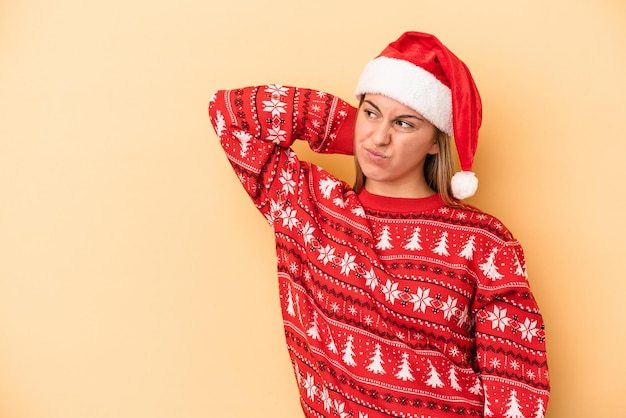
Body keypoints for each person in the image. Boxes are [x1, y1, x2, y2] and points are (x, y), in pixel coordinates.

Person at [209, 31, 549, 418]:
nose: (380, 137)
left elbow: (518, 382)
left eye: (406, 124)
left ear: (436, 142)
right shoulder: (309, 208)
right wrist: (351, 132)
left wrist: (372, 124)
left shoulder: (483, 242)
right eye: (371, 112)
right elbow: (229, 112)